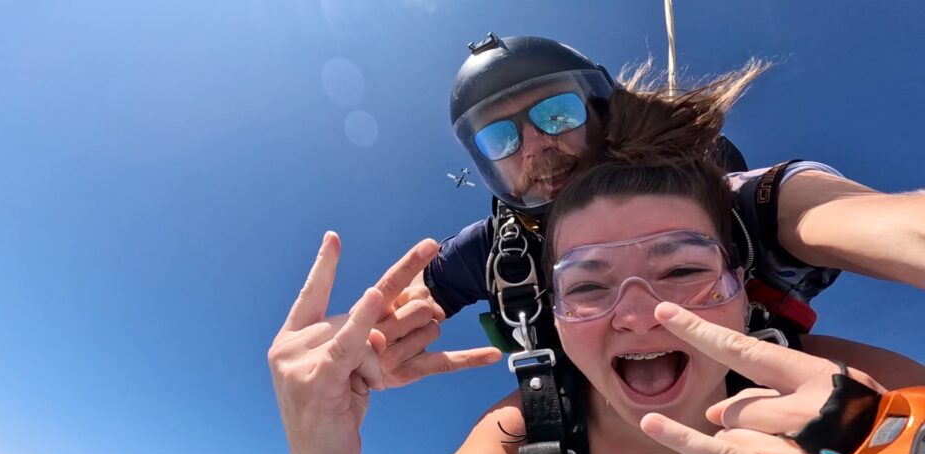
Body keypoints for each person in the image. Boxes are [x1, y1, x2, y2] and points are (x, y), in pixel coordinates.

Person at [269, 89, 925, 454]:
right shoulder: (540, 418)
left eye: (682, 269)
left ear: (739, 282)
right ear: (549, 313)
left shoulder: (834, 389)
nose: (637, 315)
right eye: (586, 285)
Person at [379, 34, 925, 390]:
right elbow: (398, 309)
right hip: (590, 435)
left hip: (762, 386)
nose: (533, 147)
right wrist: (360, 351)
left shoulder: (749, 204)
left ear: (603, 112)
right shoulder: (499, 253)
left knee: (855, 382)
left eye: (556, 113)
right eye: (499, 138)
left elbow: (884, 226)